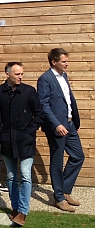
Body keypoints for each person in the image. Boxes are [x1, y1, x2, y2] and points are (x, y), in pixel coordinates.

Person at [0, 62, 43, 227]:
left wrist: (30, 131)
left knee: (26, 176)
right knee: (11, 176)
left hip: (26, 140)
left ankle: (22, 211)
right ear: (8, 74)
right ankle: (15, 207)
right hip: (7, 139)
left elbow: (39, 113)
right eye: (17, 74)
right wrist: (0, 128)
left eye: (22, 74)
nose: (20, 77)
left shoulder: (29, 91)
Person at [37, 48, 84, 213]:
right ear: (54, 62)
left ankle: (64, 190)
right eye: (64, 61)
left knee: (78, 156)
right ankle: (59, 198)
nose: (67, 64)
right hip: (57, 127)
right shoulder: (45, 79)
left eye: (67, 61)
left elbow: (68, 100)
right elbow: (43, 105)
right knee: (57, 162)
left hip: (70, 124)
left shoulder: (64, 76)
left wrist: (74, 122)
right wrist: (57, 124)